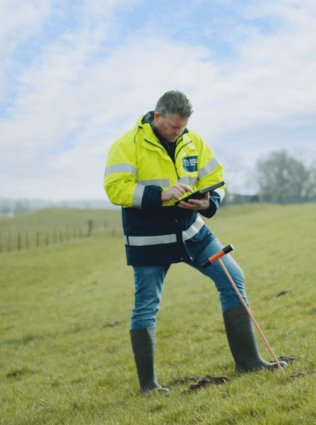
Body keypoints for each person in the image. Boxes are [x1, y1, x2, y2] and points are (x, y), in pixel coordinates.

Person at [103, 90, 286, 393]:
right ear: (157, 116)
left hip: (193, 232)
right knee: (146, 306)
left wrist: (207, 202)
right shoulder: (126, 145)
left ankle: (249, 361)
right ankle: (149, 386)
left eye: (182, 127)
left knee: (233, 278)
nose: (179, 133)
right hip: (150, 240)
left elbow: (214, 175)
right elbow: (115, 188)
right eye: (173, 127)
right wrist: (159, 195)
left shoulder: (193, 139)